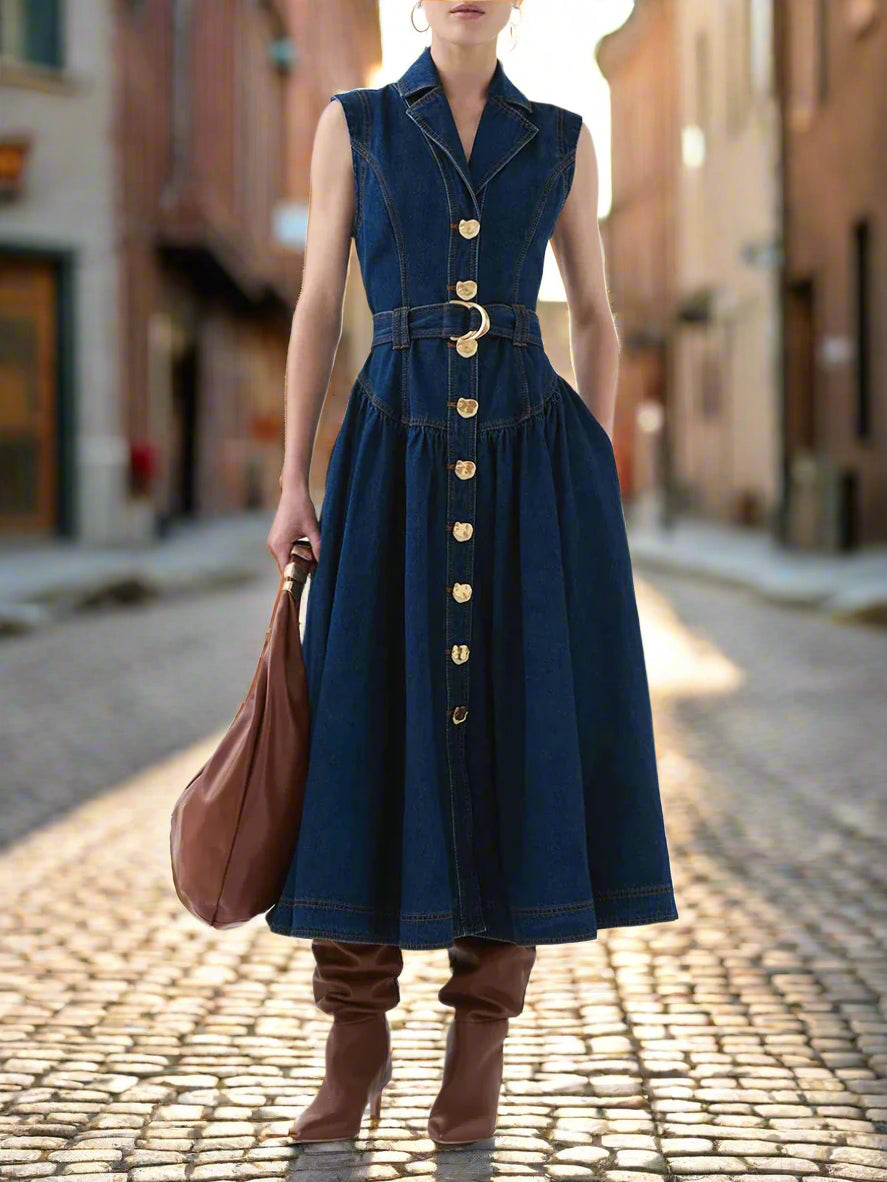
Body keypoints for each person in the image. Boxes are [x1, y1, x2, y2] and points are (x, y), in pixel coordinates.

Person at [264, 0, 678, 1147]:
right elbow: (313, 307)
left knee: (520, 741)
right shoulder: (353, 124)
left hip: (527, 470)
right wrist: (295, 480)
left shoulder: (559, 135)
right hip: (388, 465)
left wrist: (586, 466)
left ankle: (477, 1054)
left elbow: (595, 316)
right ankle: (354, 1050)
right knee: (358, 735)